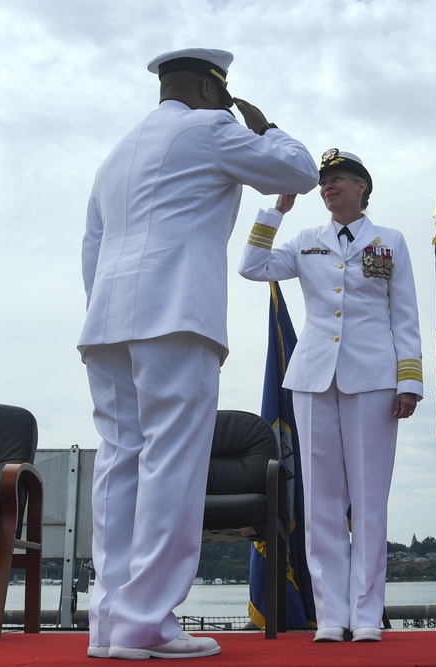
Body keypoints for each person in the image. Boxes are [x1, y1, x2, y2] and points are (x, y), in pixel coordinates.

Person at [79, 47, 318, 660]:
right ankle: (147, 622)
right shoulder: (211, 128)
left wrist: (107, 313)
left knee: (118, 462)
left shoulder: (116, 153)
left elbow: (93, 246)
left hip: (108, 320)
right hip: (176, 314)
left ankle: (108, 621)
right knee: (173, 463)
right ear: (214, 91)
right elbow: (297, 172)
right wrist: (264, 127)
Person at [238, 149, 422, 643]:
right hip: (315, 376)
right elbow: (252, 266)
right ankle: (332, 613)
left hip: (374, 378)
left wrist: (410, 382)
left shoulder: (390, 241)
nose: (328, 188)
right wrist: (276, 209)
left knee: (368, 501)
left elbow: (404, 314)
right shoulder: (305, 241)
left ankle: (366, 615)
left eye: (338, 179)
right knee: (320, 499)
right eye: (323, 183)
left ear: (363, 186)